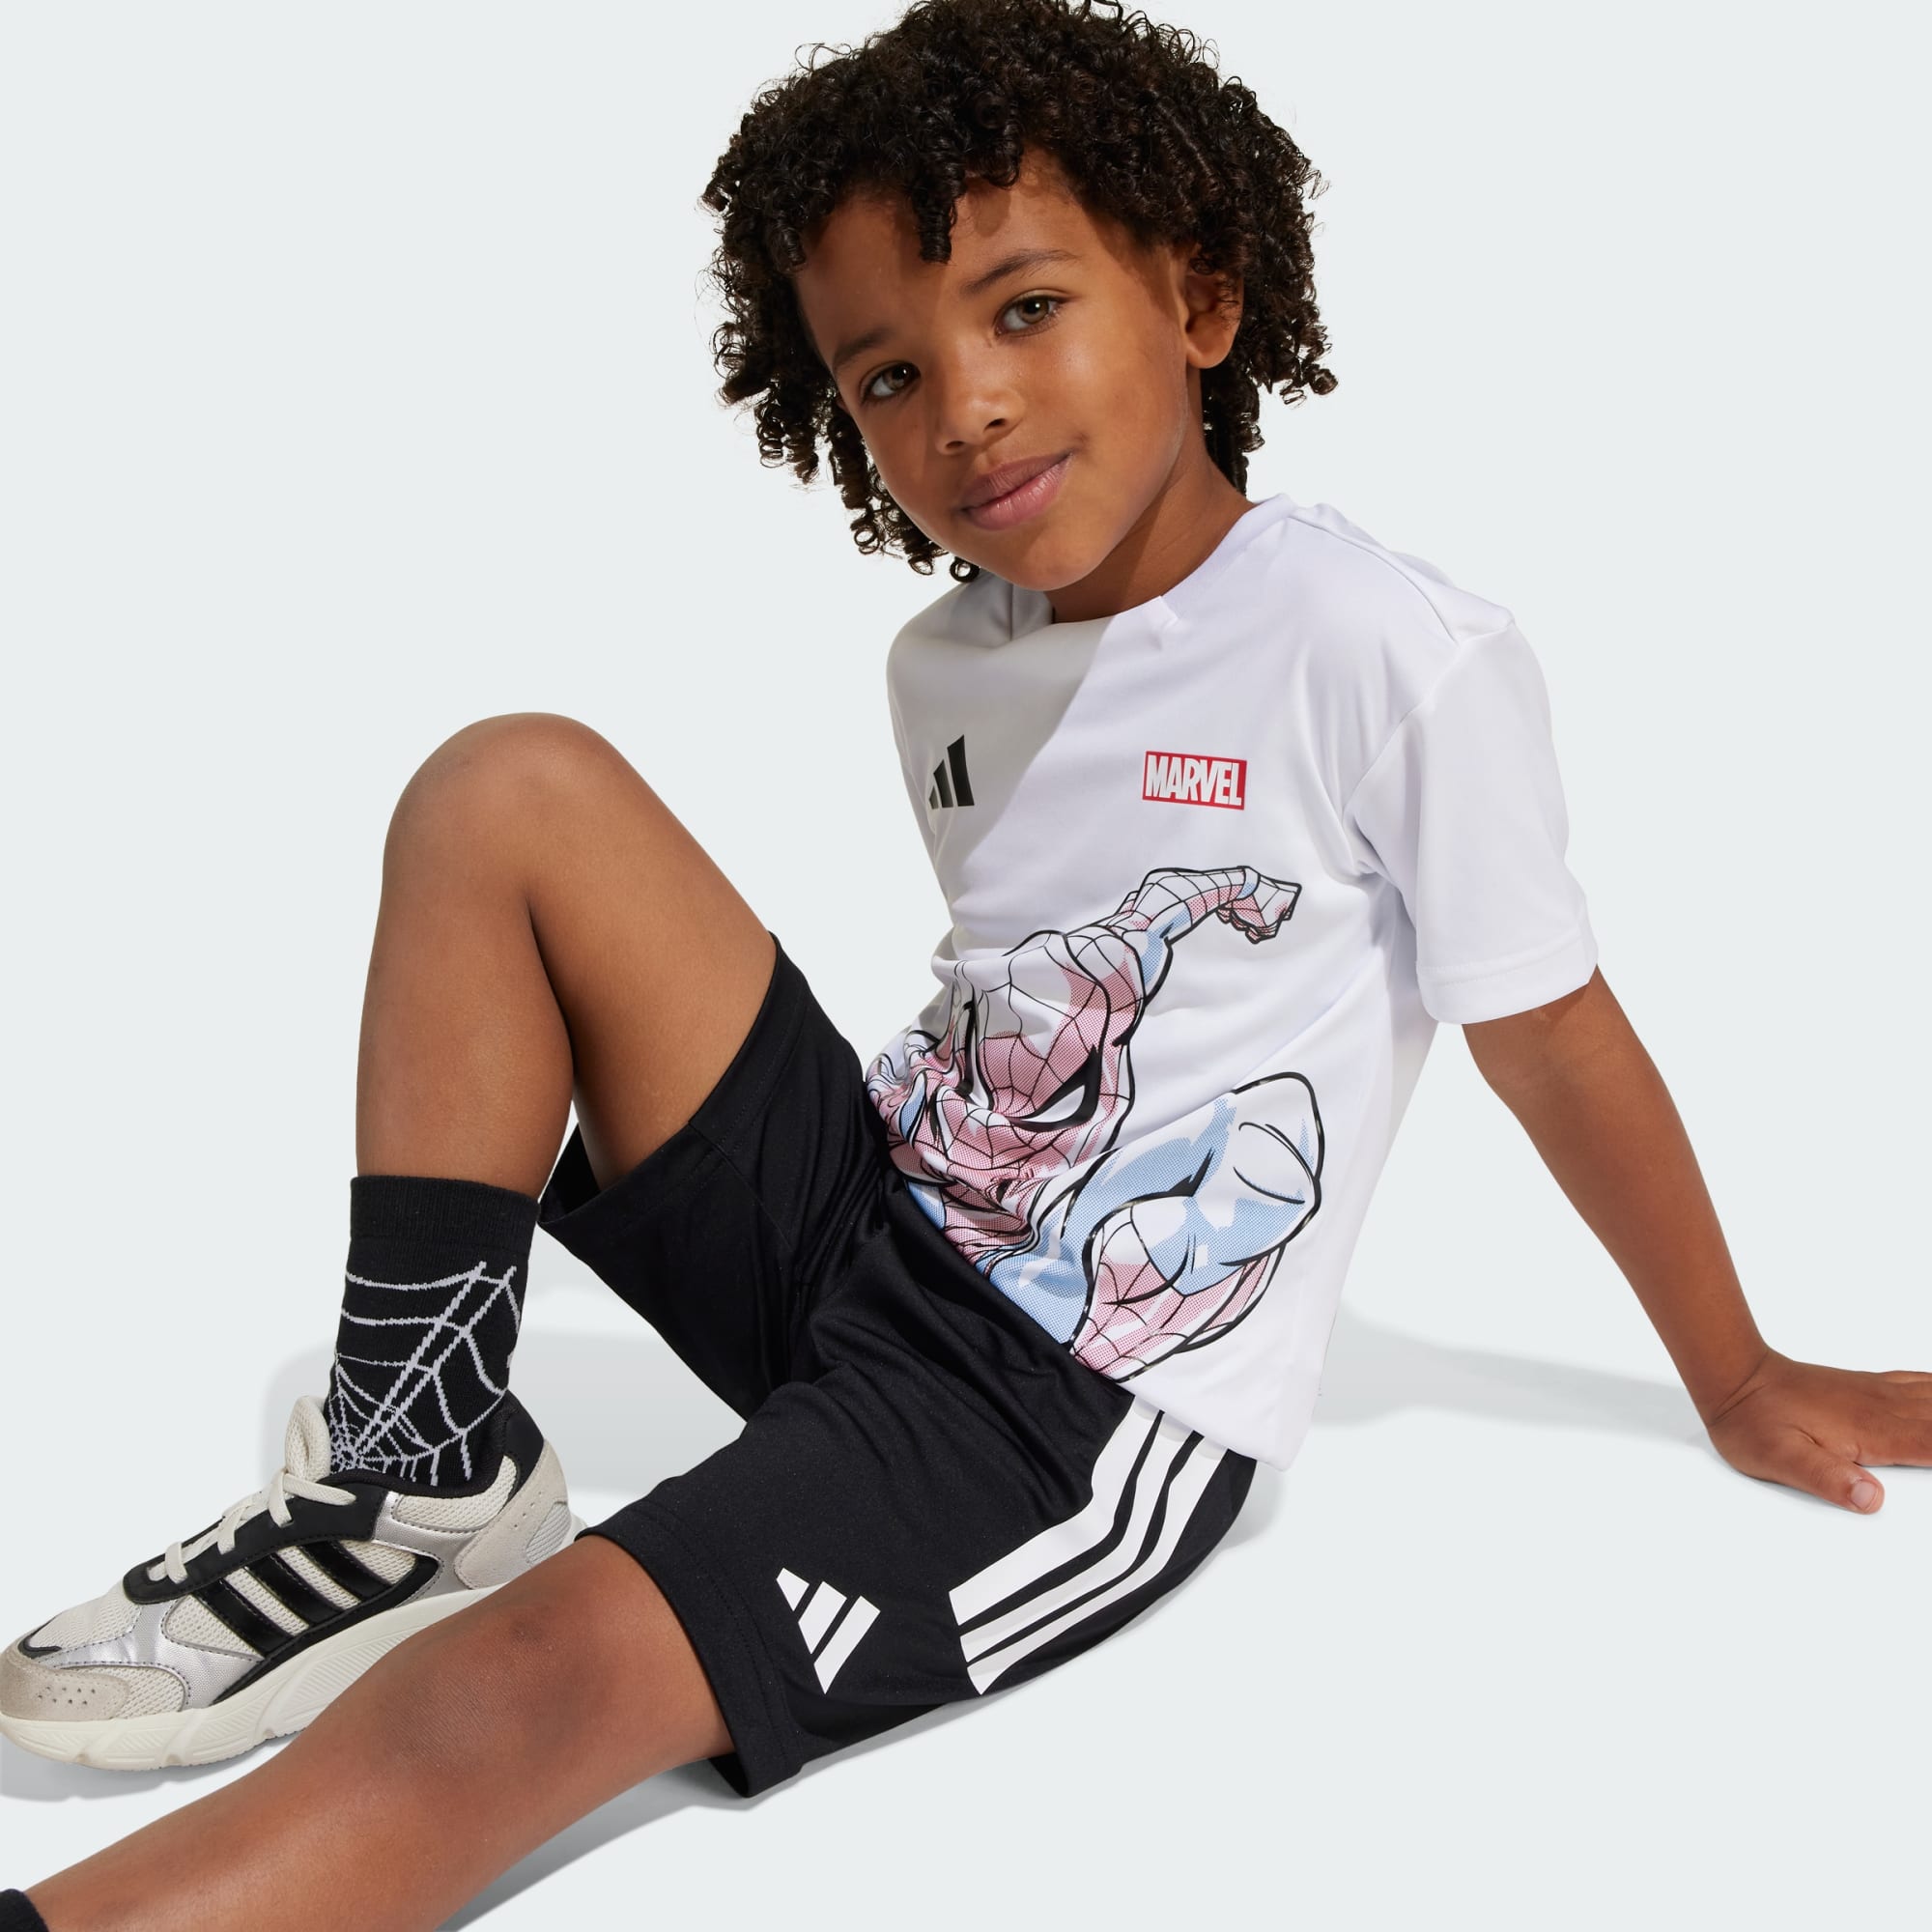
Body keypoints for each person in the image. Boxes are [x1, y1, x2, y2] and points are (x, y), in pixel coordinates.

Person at [5, 0, 1928, 1925]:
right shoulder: (946, 660)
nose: (967, 407)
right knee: (507, 790)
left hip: (1048, 1407)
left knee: (517, 1692)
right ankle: (416, 1461)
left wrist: (1737, 1371)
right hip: (879, 1226)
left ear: (1202, 296)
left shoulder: (1383, 650)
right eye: (890, 373)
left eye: (1025, 310)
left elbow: (1553, 1038)